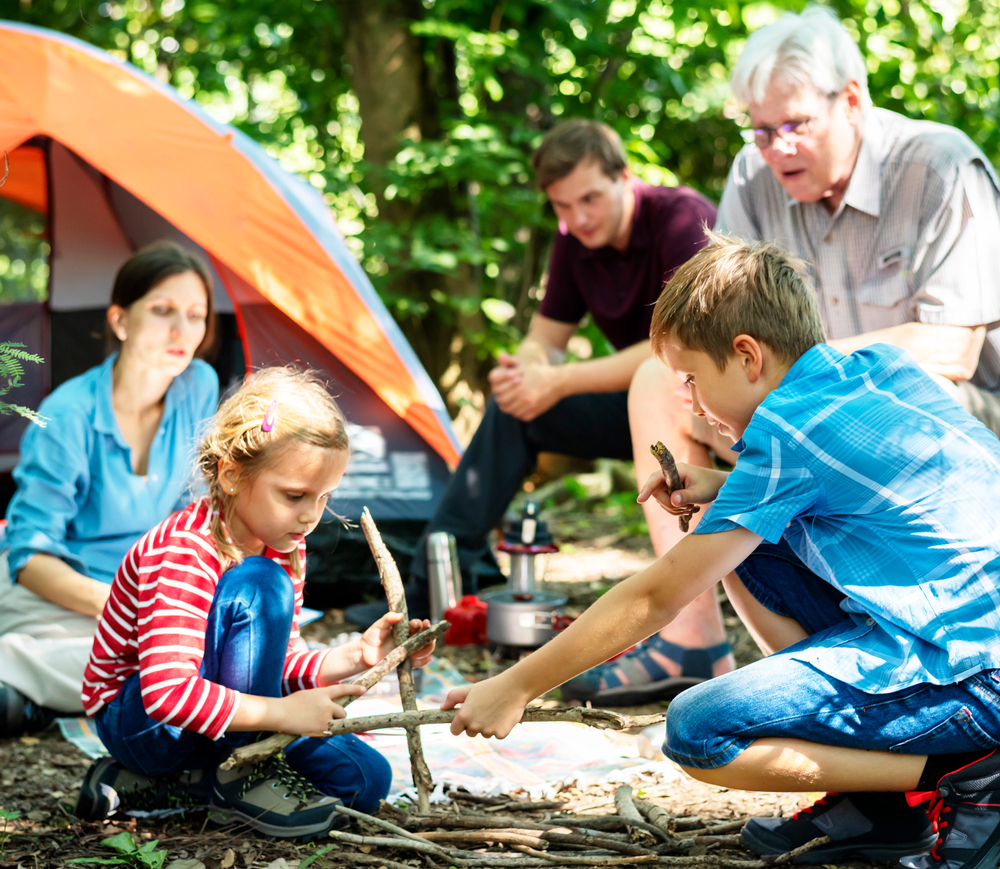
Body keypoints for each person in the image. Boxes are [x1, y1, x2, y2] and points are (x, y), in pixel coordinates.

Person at [444, 235, 1000, 869]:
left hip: (979, 678)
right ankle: (879, 807)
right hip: (974, 632)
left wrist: (517, 685)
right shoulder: (877, 367)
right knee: (749, 543)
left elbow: (655, 597)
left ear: (746, 356)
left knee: (701, 731)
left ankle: (969, 777)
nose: (691, 404)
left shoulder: (788, 431)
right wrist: (718, 485)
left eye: (691, 379)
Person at [349, 120, 735, 705]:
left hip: (704, 401)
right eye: (563, 207)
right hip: (633, 401)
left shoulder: (681, 218)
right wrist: (525, 372)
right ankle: (427, 596)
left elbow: (672, 343)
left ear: (624, 177)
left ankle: (691, 634)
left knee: (640, 382)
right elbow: (545, 337)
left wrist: (556, 380)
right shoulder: (574, 241)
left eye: (590, 199)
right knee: (515, 412)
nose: (578, 218)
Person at [76, 368, 436, 839]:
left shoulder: (284, 542)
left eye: (325, 497)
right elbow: (167, 695)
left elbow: (276, 663)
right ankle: (235, 777)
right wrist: (282, 715)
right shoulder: (185, 551)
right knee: (259, 583)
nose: (310, 516)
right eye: (294, 495)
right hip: (141, 722)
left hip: (229, 715)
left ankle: (180, 785)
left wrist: (358, 656)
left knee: (364, 779)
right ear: (230, 474)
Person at [715, 5, 1000, 435]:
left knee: (884, 400)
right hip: (803, 405)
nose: (777, 149)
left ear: (850, 101)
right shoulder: (751, 176)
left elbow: (952, 350)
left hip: (958, 412)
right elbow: (727, 327)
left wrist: (796, 369)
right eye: (762, 131)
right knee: (662, 385)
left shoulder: (940, 168)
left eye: (795, 124)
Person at [0, 241, 220, 737]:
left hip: (141, 590)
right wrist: (129, 607)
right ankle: (18, 671)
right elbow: (29, 558)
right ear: (120, 321)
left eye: (195, 315)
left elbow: (202, 509)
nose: (182, 331)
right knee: (174, 660)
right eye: (162, 311)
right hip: (56, 589)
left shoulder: (199, 384)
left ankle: (35, 694)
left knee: (202, 645)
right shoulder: (67, 416)